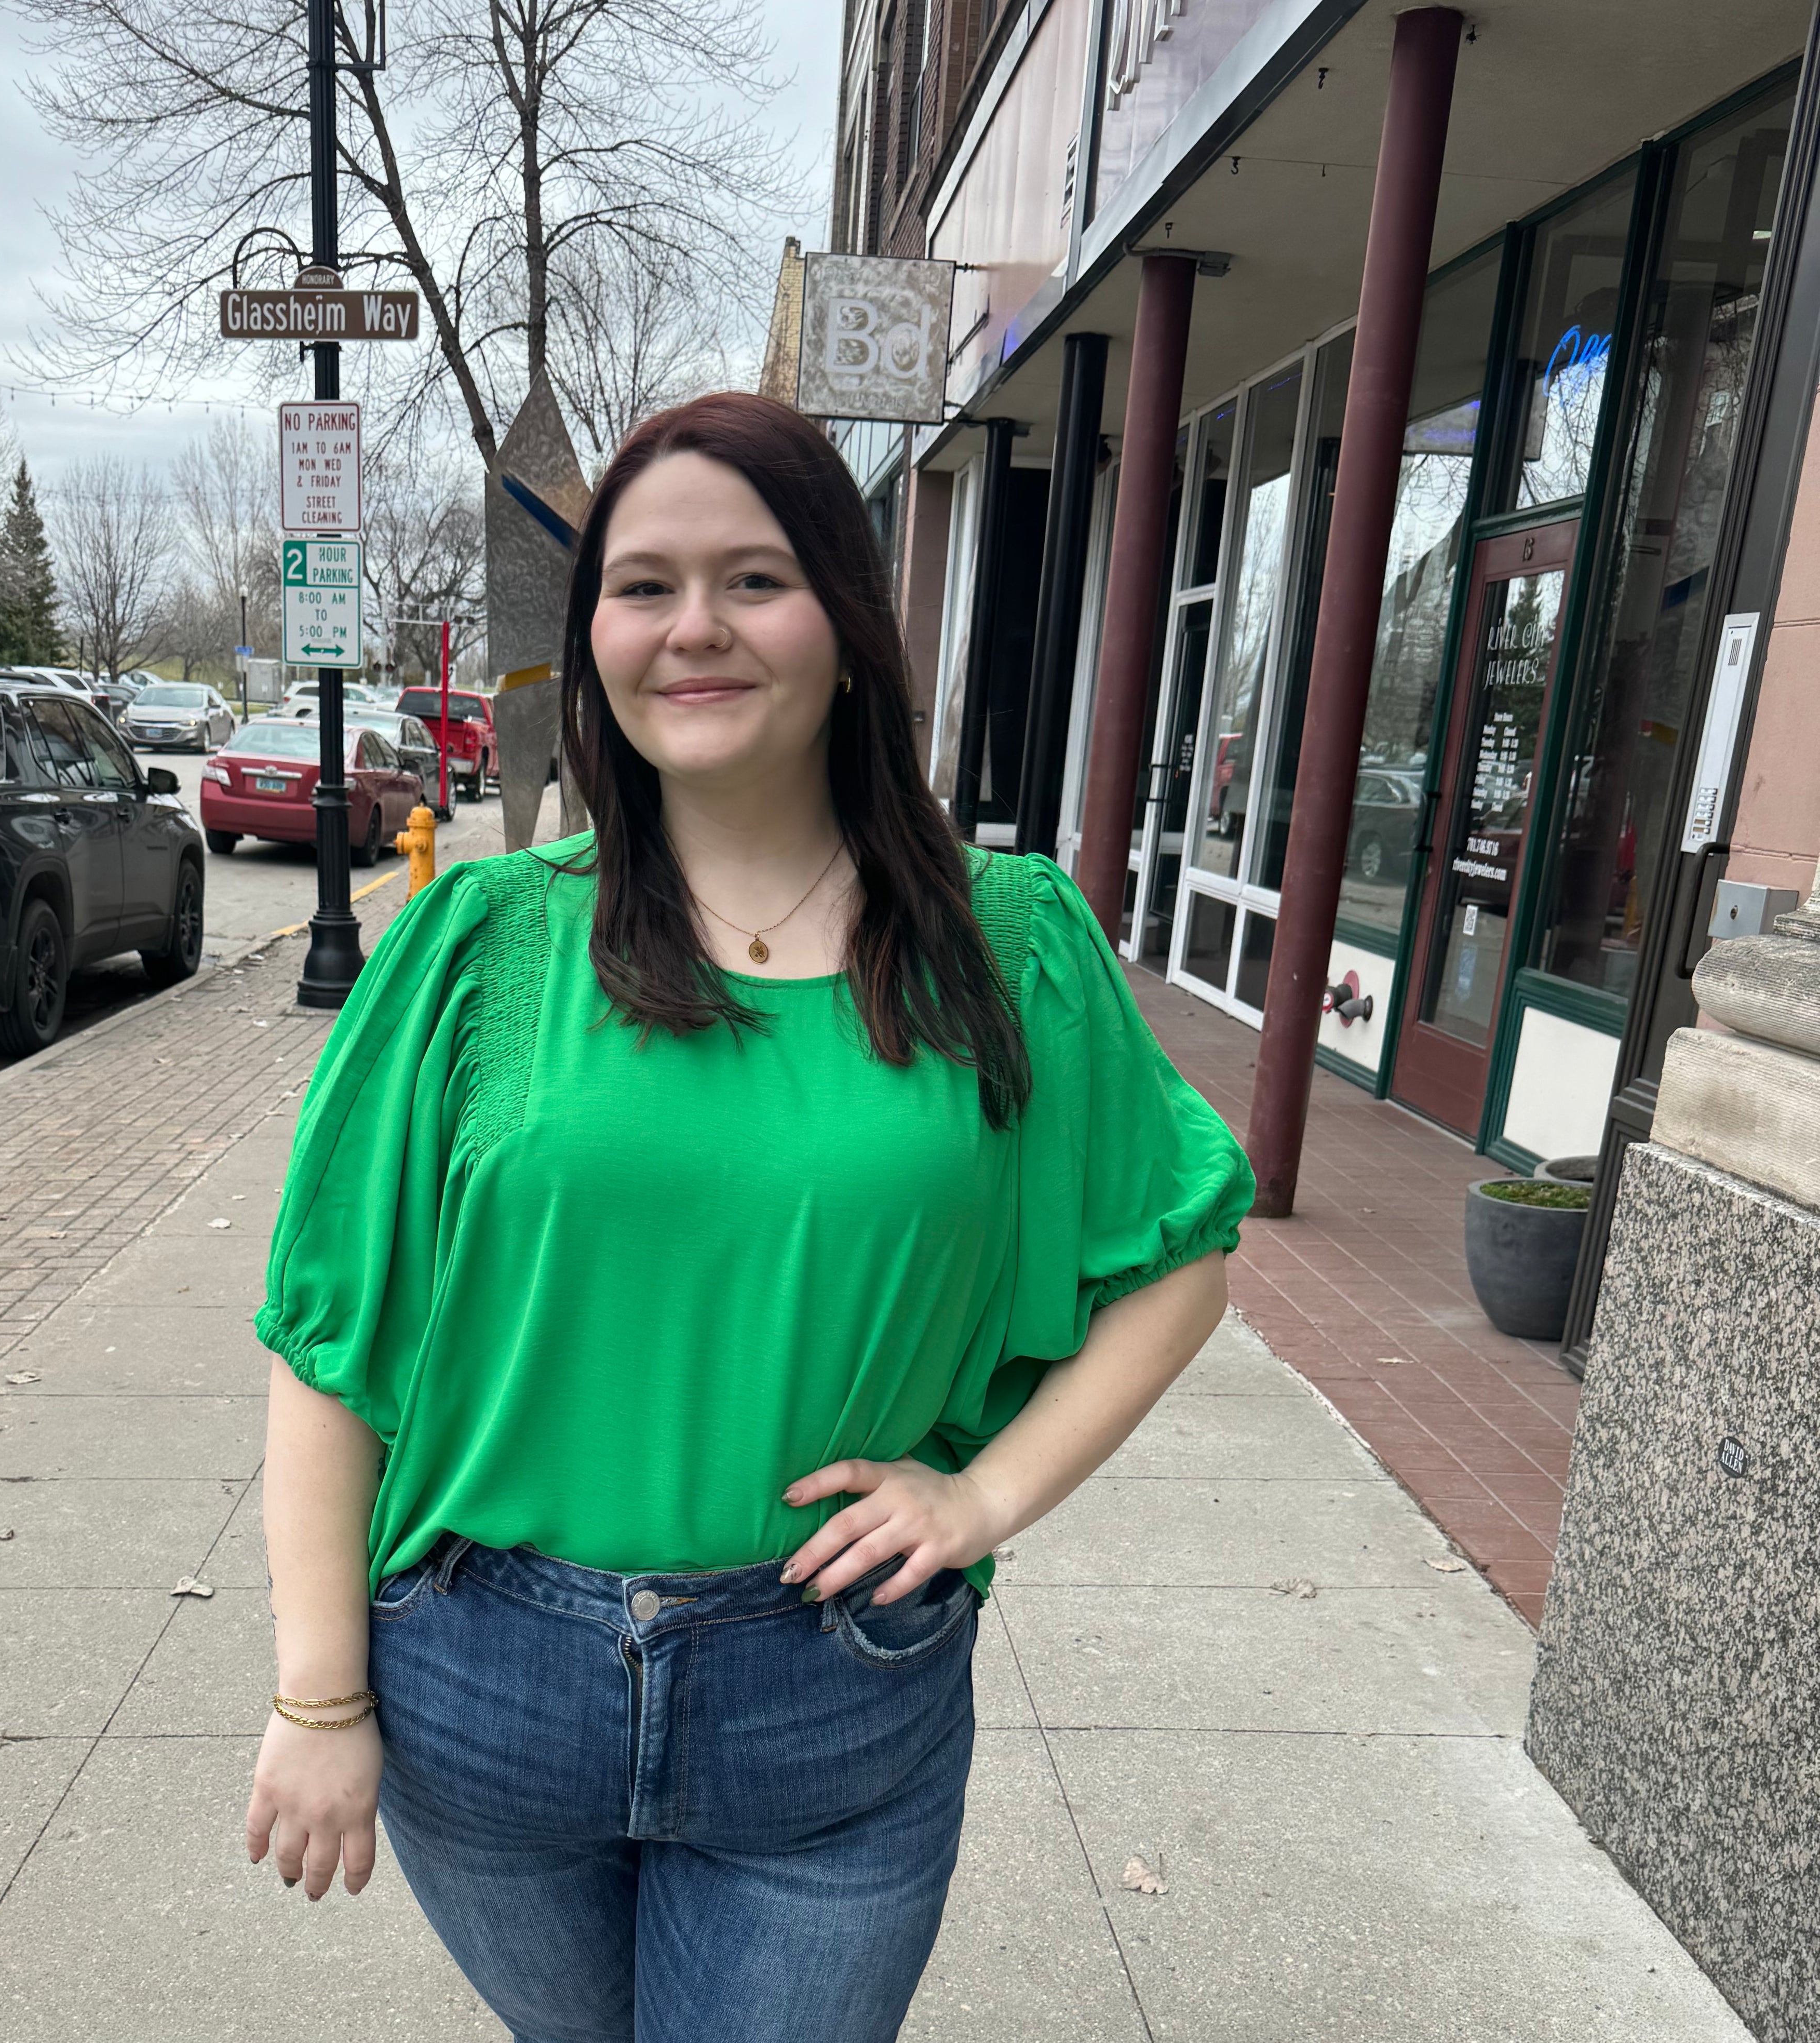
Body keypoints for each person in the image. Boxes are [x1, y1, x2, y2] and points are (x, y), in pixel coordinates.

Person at [245, 391, 1253, 2042]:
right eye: (642, 587)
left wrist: (985, 1494)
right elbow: (327, 1342)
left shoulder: (1008, 943)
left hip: (829, 1693)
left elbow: (1179, 1254)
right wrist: (317, 1692)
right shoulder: (475, 945)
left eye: (753, 579)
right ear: (593, 646)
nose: (692, 628)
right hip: (483, 1684)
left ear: (848, 628)